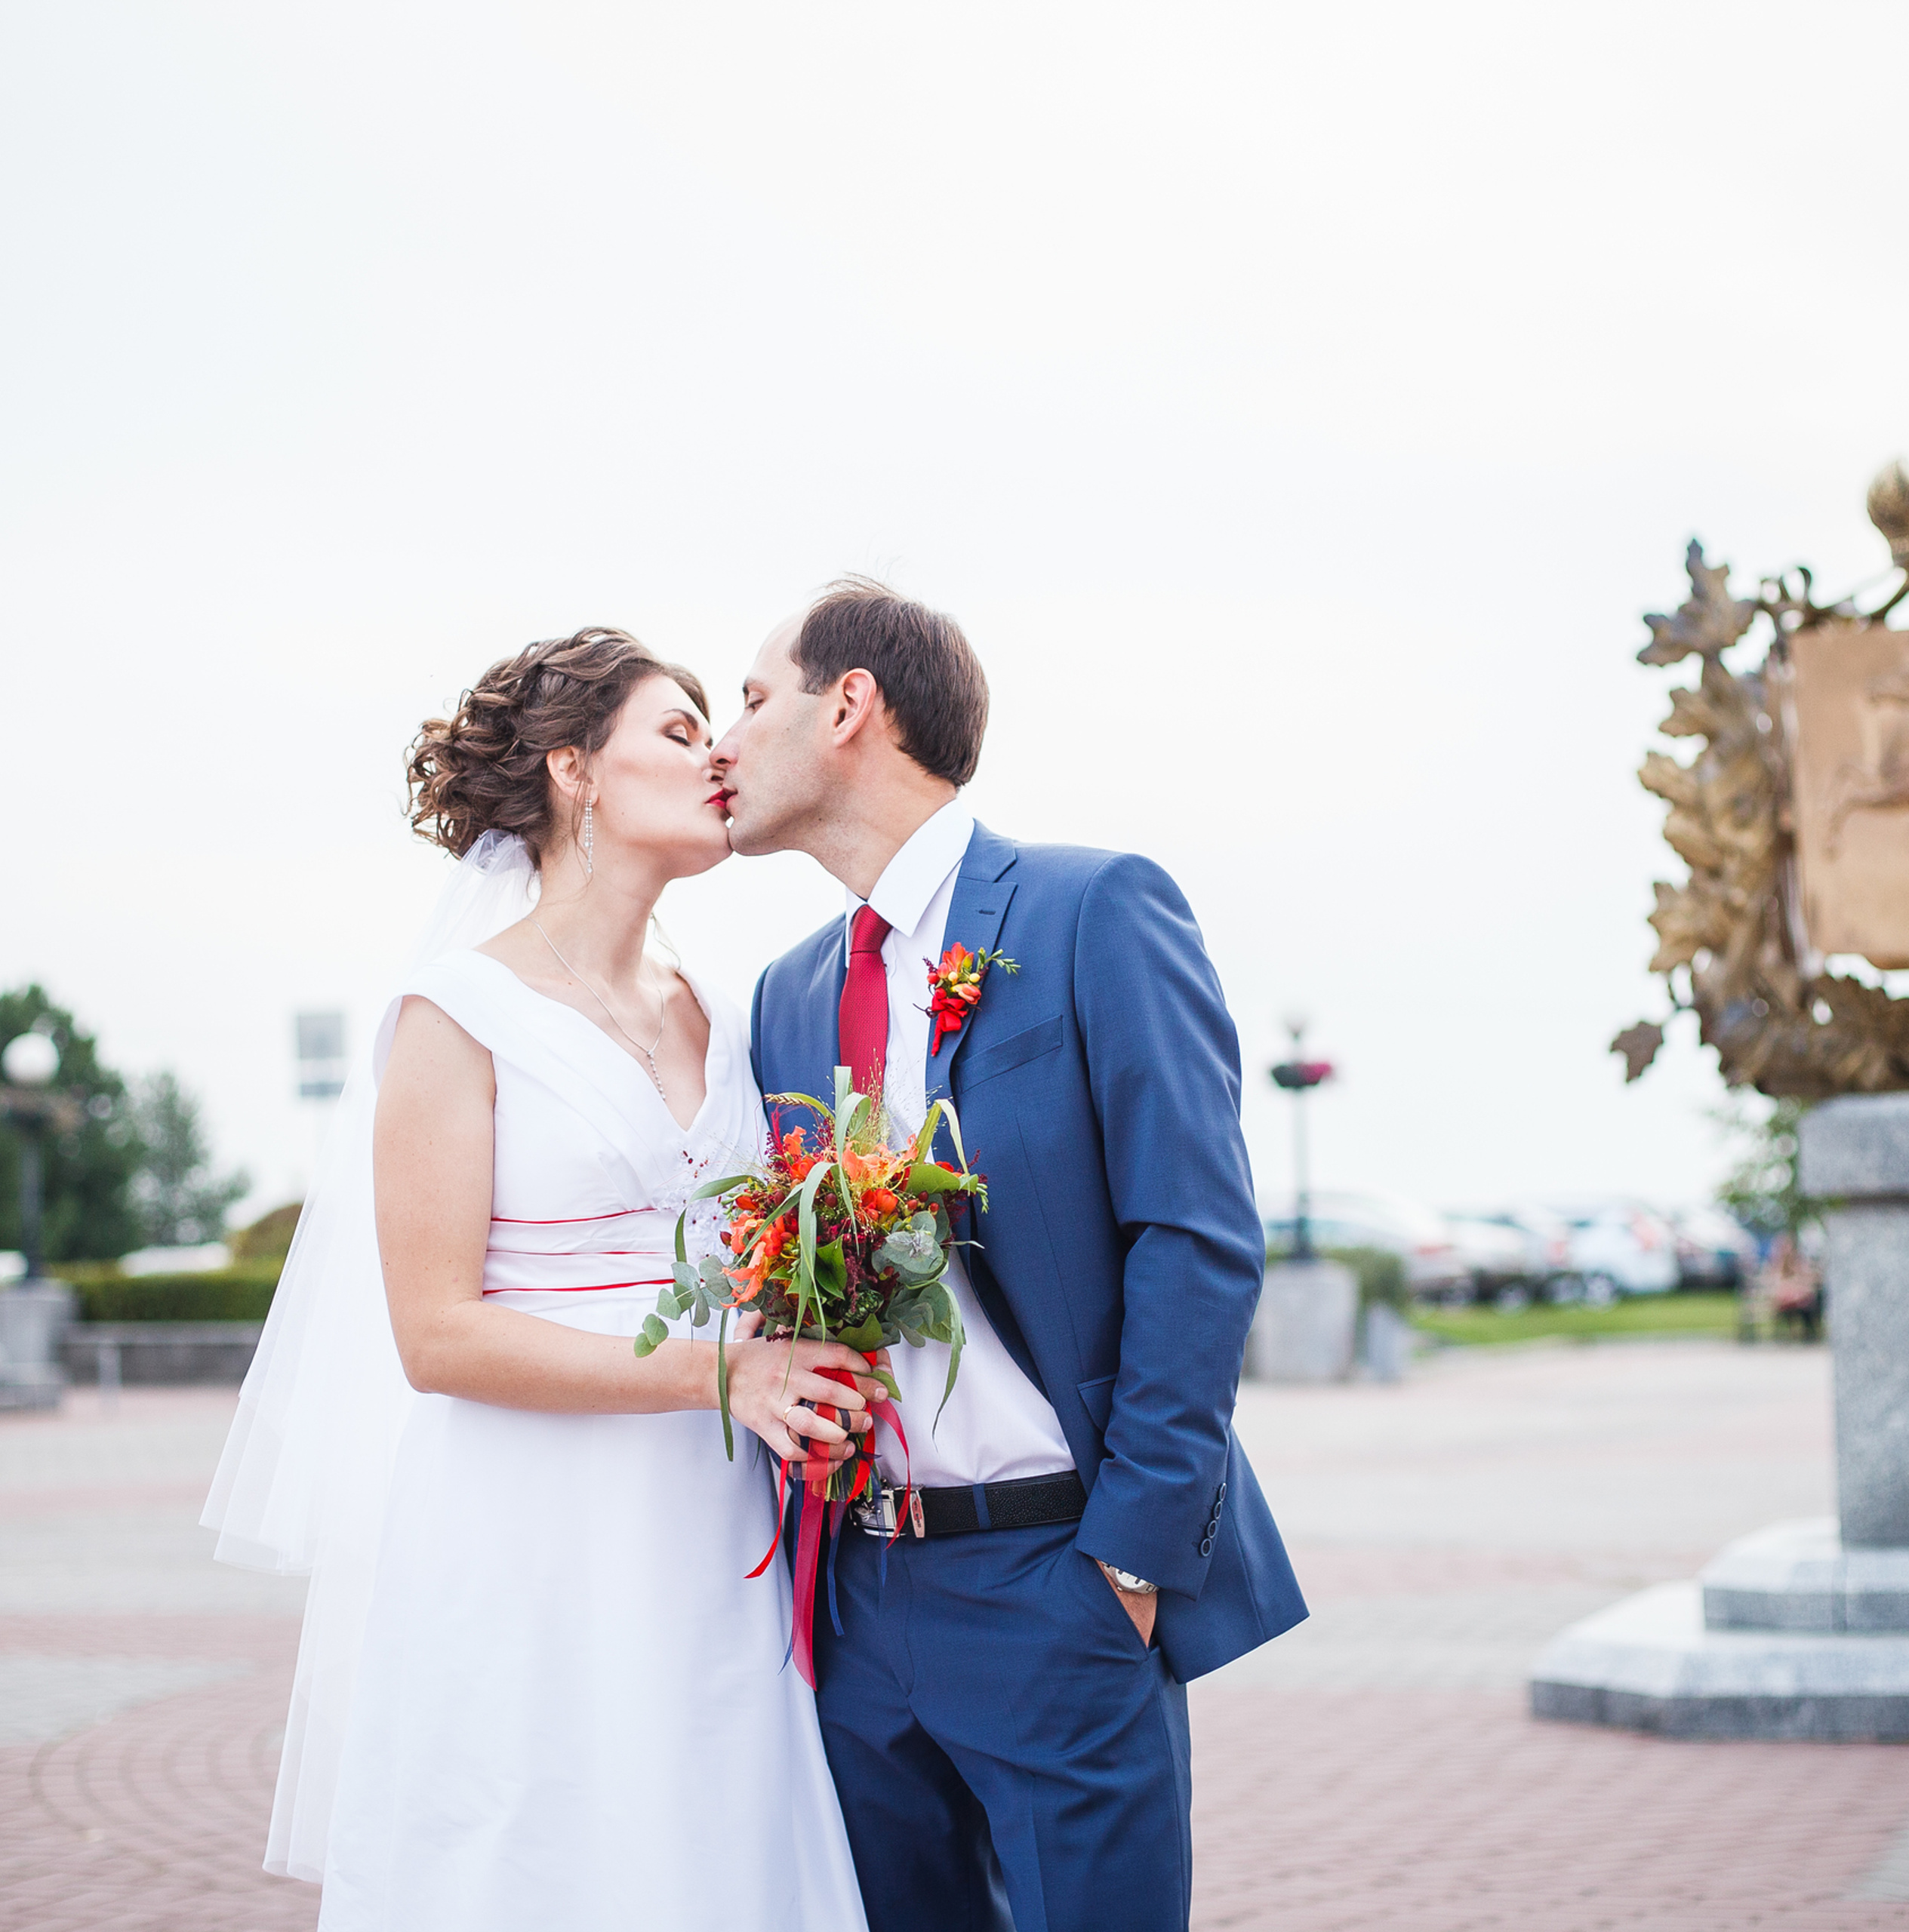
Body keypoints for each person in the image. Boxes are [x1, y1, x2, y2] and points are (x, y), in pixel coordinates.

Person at [203, 629, 870, 1930]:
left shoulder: (724, 1013)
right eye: (678, 733)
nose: (718, 752)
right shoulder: (458, 1013)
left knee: (714, 1848)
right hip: (529, 1533)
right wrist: (722, 1371)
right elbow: (437, 1336)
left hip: (714, 1524)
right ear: (575, 770)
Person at [709, 579, 1309, 1932]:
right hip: (860, 1606)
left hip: (1062, 1587)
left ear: (849, 704)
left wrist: (1134, 1563)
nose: (721, 745)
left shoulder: (1092, 911)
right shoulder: (787, 995)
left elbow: (1197, 1236)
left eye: (751, 699)